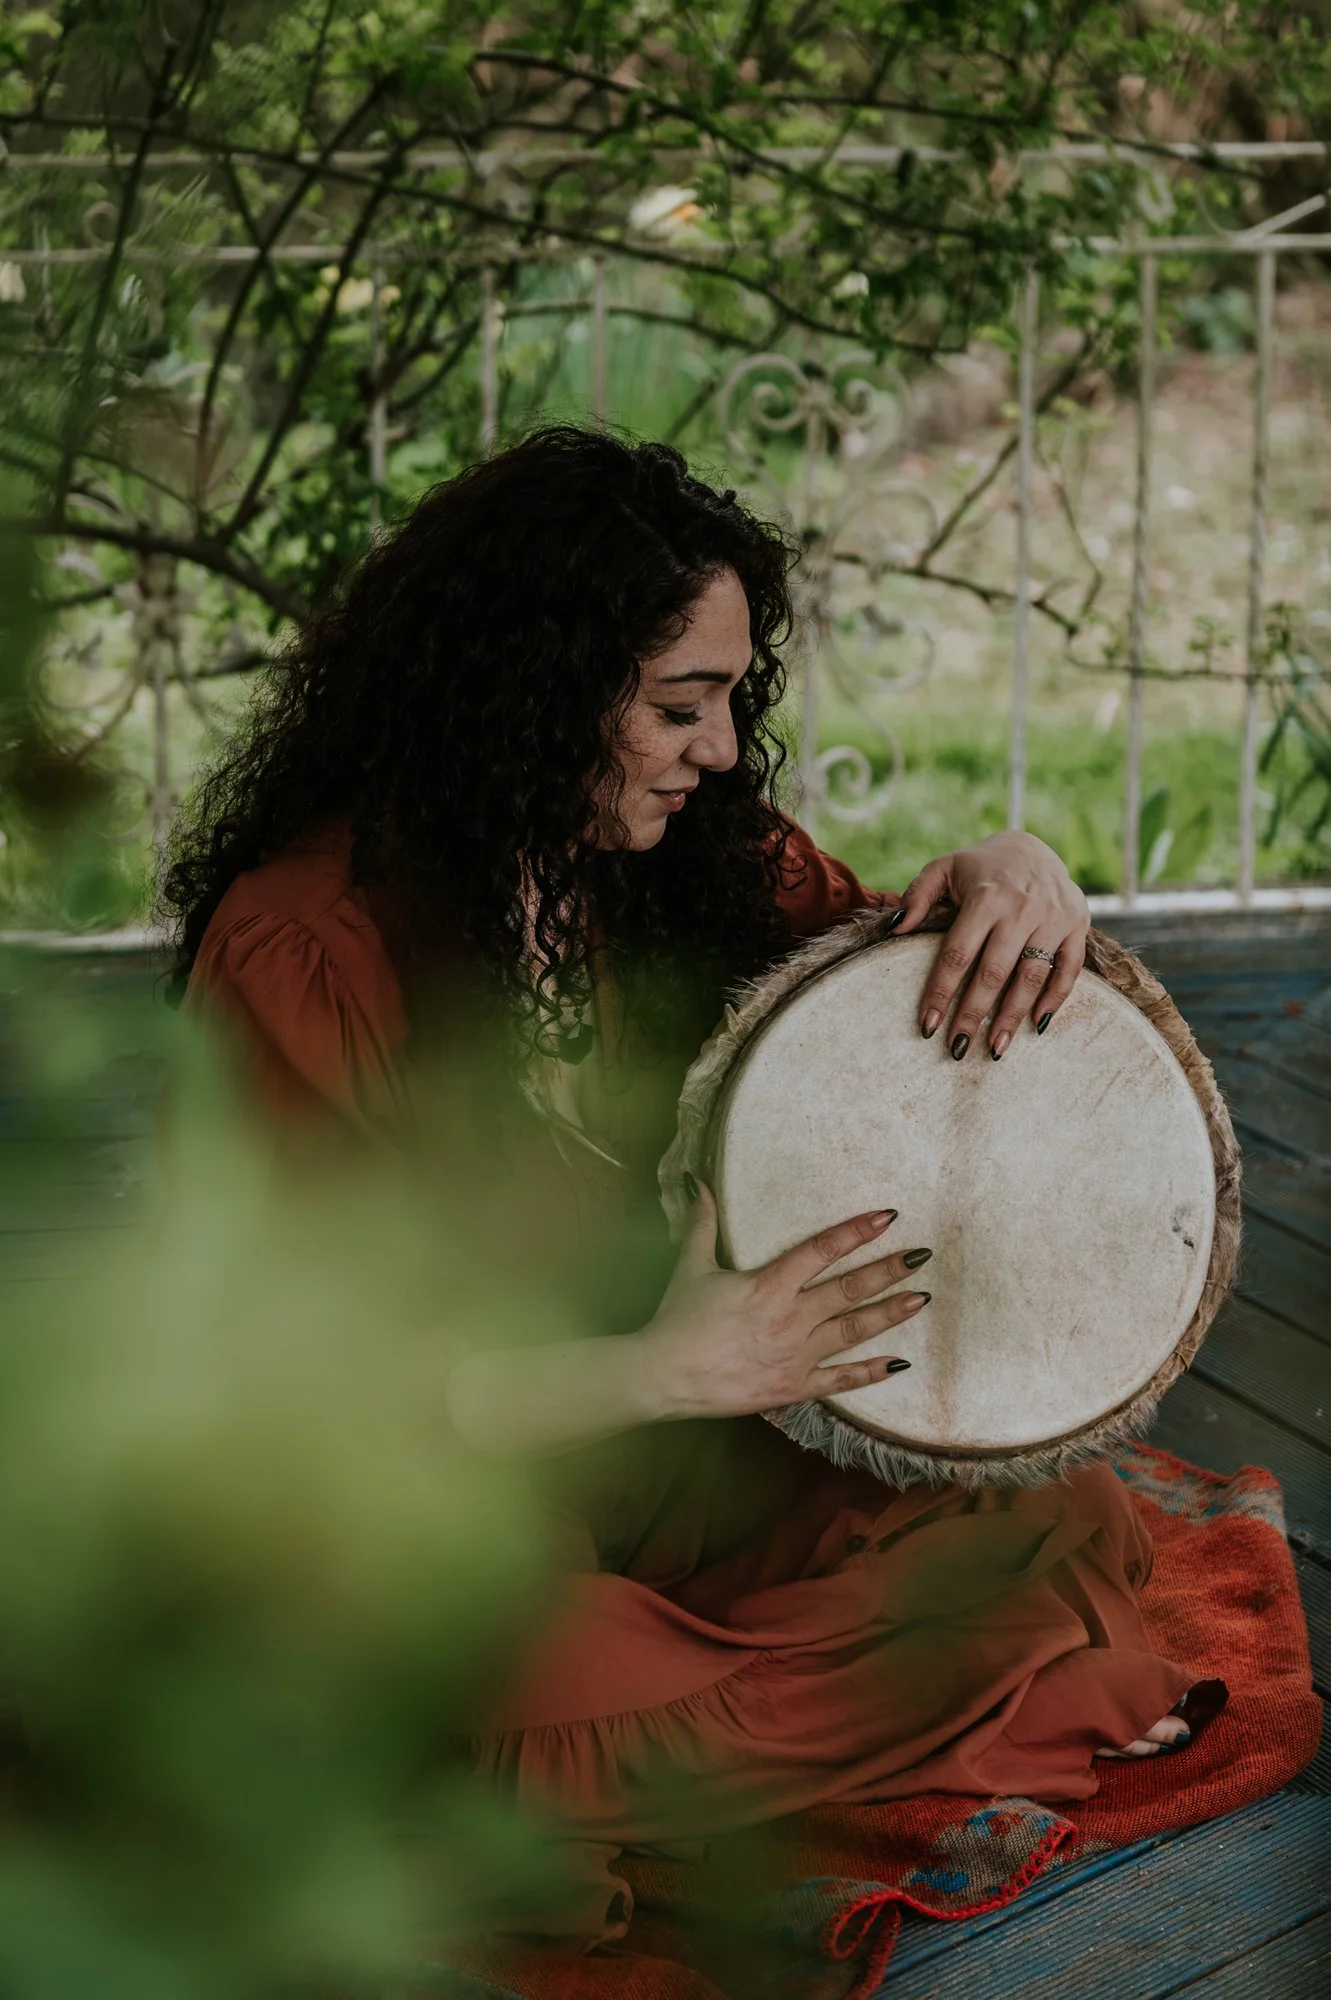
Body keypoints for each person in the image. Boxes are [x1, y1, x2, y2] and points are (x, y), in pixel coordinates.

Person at [164, 428, 1203, 1948]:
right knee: (511, 1678)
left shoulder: (700, 856)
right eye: (676, 706)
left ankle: (558, 1800)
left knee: (1046, 1514)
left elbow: (894, 975)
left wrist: (1012, 862)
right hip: (425, 1522)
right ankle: (538, 1779)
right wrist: (660, 1369)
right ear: (527, 691)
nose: (718, 750)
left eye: (728, 701)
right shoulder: (304, 952)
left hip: (671, 1487)